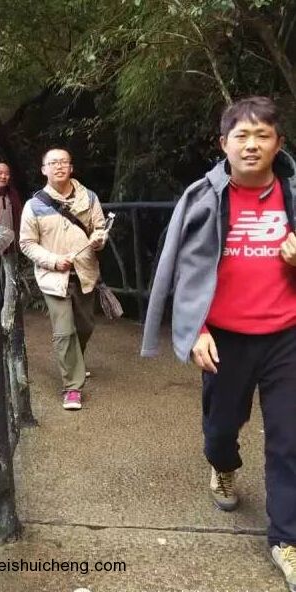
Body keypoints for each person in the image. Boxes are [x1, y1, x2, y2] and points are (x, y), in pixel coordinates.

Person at [141, 96, 296, 591]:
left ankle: (287, 540)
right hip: (225, 337)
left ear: (278, 143)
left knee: (290, 438)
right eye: (241, 136)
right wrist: (197, 330)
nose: (252, 145)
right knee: (222, 427)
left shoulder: (294, 195)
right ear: (223, 144)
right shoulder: (204, 198)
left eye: (262, 135)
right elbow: (184, 271)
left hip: (286, 336)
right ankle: (223, 465)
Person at [20, 148, 105, 410]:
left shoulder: (89, 198)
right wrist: (54, 261)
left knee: (85, 326)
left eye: (63, 162)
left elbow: (100, 228)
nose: (58, 166)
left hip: (85, 272)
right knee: (65, 332)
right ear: (44, 169)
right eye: (53, 163)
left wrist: (99, 239)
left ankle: (75, 362)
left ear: (71, 167)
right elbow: (27, 243)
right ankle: (72, 387)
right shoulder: (34, 205)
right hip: (53, 277)